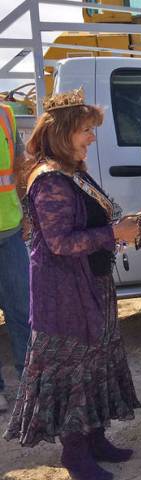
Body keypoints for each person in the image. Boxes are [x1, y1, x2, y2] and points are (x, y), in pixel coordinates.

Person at [4, 89, 141, 480]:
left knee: (97, 360)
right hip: (63, 292)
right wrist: (113, 232)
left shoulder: (72, 171)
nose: (91, 138)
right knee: (73, 369)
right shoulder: (48, 180)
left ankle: (96, 437)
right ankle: (75, 454)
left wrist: (127, 225)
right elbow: (60, 243)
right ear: (63, 132)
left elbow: (96, 219)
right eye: (85, 130)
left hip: (90, 282)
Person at [0, 102, 31, 413]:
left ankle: (28, 380)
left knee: (21, 310)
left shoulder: (5, 115)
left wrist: (25, 214)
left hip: (9, 228)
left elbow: (19, 167)